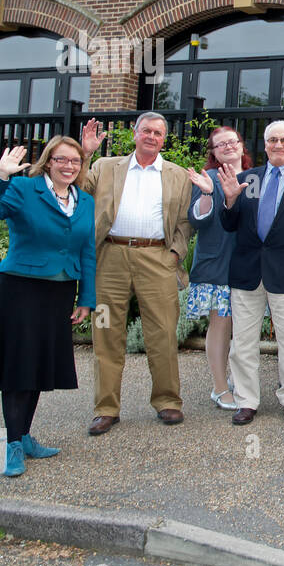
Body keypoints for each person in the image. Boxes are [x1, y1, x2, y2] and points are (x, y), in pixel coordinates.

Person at [0, 139, 94, 476]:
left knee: (40, 362)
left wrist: (86, 297)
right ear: (48, 161)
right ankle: (11, 444)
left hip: (60, 291)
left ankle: (24, 435)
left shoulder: (84, 201)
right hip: (22, 288)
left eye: (75, 161)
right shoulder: (24, 188)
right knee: (18, 363)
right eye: (61, 160)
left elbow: (87, 251)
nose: (68, 166)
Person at [79, 113, 192, 435]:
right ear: (135, 134)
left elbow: (185, 222)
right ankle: (106, 408)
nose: (151, 136)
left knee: (163, 333)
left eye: (158, 132)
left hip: (157, 257)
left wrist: (174, 255)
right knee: (105, 333)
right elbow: (75, 189)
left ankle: (168, 401)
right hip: (110, 257)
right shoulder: (105, 167)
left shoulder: (177, 175)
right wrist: (86, 153)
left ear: (164, 138)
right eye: (146, 131)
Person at [211, 121, 284, 424]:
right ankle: (246, 400)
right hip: (247, 271)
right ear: (264, 144)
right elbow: (229, 224)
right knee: (243, 342)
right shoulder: (247, 178)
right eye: (272, 139)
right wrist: (230, 200)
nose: (278, 145)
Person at [185, 126, 252, 411]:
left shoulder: (255, 177)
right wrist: (206, 195)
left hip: (249, 263)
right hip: (218, 264)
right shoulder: (206, 179)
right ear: (213, 151)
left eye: (232, 141)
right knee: (221, 326)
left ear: (241, 145)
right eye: (219, 144)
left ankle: (241, 382)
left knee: (245, 329)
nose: (227, 146)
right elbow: (197, 221)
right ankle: (220, 387)